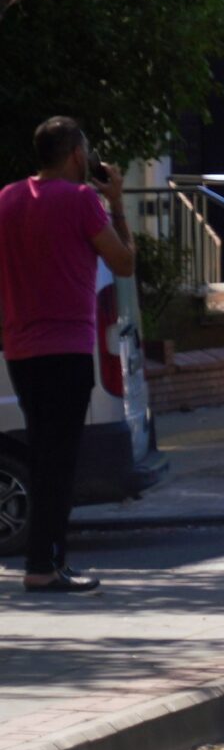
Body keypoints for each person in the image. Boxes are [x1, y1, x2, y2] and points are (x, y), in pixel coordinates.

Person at [0, 117, 135, 593]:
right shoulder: (83, 201)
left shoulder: (7, 199)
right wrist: (115, 202)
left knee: (41, 454)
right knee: (59, 461)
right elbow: (124, 262)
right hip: (66, 348)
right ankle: (45, 565)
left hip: (19, 348)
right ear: (77, 153)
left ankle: (43, 560)